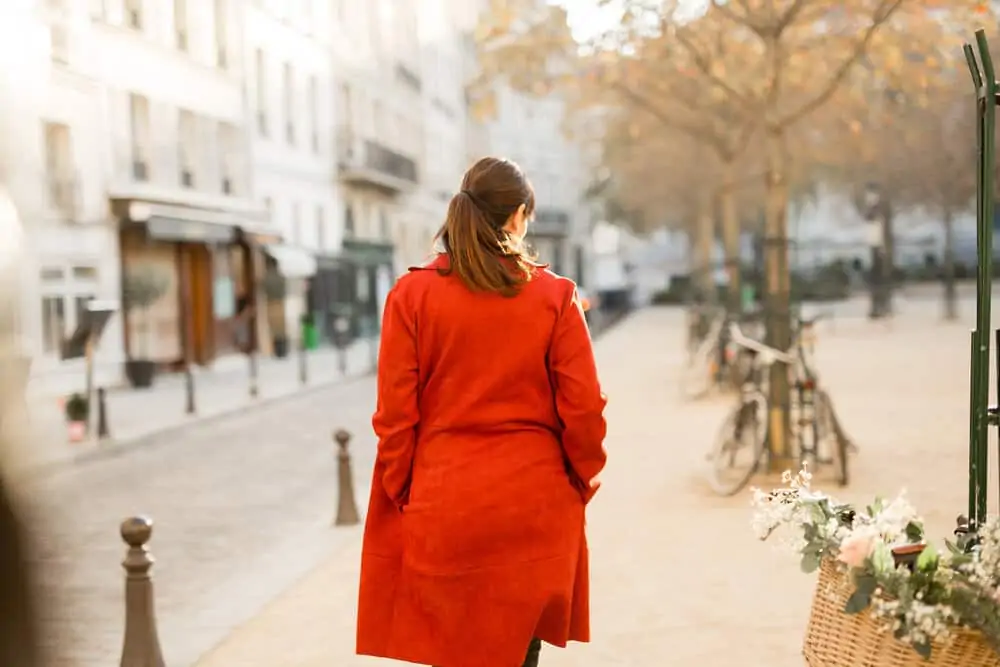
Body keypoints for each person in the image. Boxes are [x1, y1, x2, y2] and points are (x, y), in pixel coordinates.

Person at [356, 156, 608, 667]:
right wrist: (579, 482)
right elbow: (584, 410)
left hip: (444, 506)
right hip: (532, 509)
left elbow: (394, 418)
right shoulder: (554, 297)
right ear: (517, 217)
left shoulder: (411, 296)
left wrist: (408, 491)